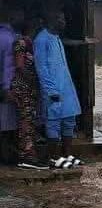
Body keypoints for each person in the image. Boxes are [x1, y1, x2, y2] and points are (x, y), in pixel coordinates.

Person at [34, 10, 82, 169]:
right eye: (59, 19)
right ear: (50, 20)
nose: (63, 22)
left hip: (66, 88)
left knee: (69, 121)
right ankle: (54, 158)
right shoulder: (42, 39)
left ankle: (67, 156)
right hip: (53, 90)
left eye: (63, 18)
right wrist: (50, 91)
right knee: (53, 123)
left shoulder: (56, 38)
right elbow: (41, 68)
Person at [9, 12, 48, 169]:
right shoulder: (21, 42)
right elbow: (19, 66)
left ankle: (27, 153)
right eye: (38, 25)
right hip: (23, 88)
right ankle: (27, 155)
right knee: (26, 121)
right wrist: (33, 81)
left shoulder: (31, 43)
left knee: (29, 120)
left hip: (28, 88)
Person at [0, 9, 18, 160]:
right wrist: (7, 88)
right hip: (5, 87)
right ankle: (6, 158)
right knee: (6, 125)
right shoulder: (9, 38)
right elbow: (8, 65)